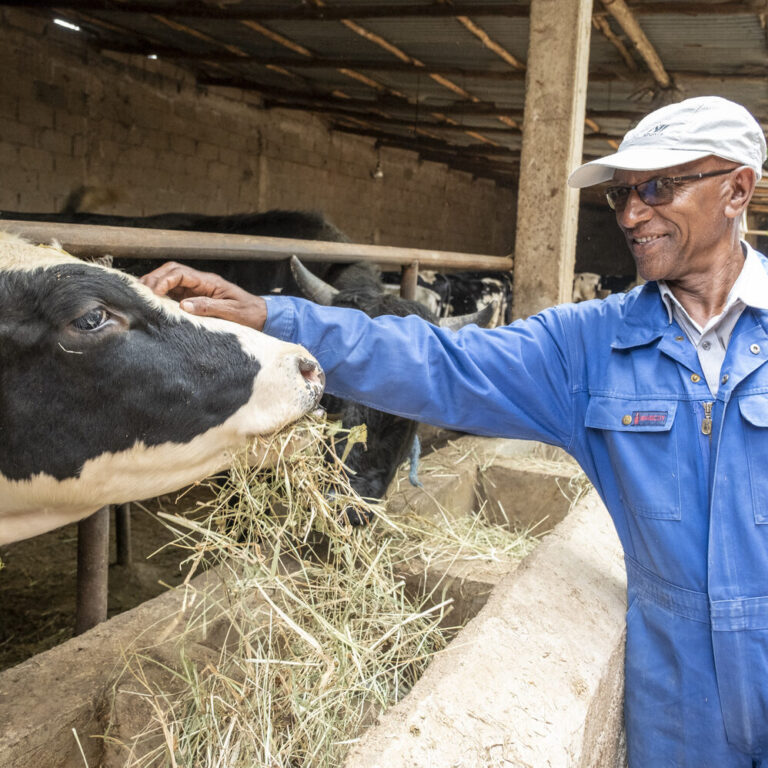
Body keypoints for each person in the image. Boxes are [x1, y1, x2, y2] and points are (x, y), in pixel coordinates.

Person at [142, 96, 767, 767]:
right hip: (680, 705)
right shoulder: (589, 347)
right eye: (622, 193)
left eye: (659, 188)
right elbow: (440, 363)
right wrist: (276, 318)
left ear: (737, 190)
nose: (632, 214)